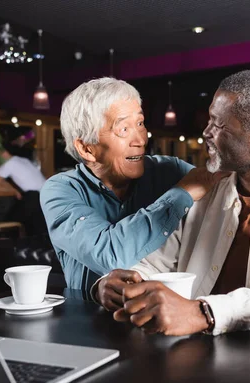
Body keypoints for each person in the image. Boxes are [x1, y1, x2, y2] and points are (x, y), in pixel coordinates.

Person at [93, 69, 250, 336]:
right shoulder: (201, 189)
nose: (206, 132)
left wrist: (204, 312)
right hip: (186, 353)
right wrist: (119, 281)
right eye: (210, 119)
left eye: (219, 125)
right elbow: (154, 263)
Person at [40, 77, 226, 292]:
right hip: (88, 316)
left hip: (166, 313)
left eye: (139, 123)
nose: (140, 139)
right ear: (86, 149)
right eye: (123, 129)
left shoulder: (170, 170)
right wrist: (181, 194)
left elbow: (224, 192)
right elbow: (109, 255)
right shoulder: (61, 190)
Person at [0, 145, 48, 236]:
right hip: (46, 194)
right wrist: (14, 190)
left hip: (34, 197)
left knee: (11, 221)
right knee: (36, 226)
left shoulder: (7, 164)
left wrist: (13, 192)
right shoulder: (22, 160)